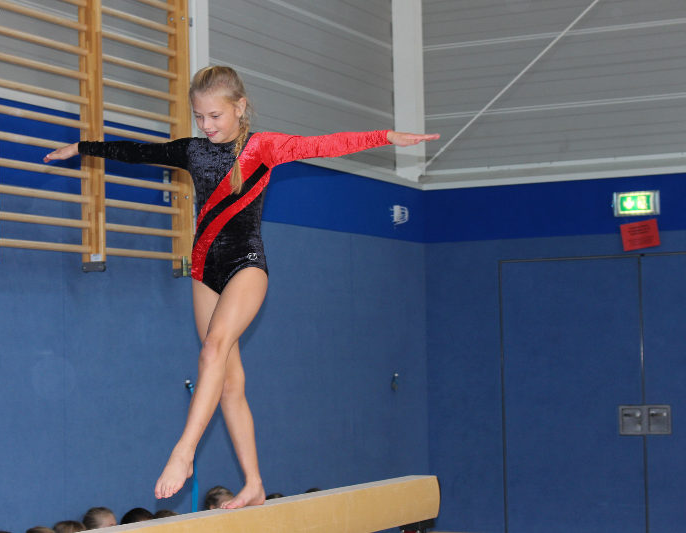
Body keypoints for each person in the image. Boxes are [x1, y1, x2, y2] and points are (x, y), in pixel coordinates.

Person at [44, 65, 439, 509]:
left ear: (240, 107)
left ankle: (184, 451)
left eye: (215, 116)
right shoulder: (193, 151)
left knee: (212, 350)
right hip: (203, 270)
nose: (206, 125)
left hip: (245, 265)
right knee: (230, 382)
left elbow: (324, 145)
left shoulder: (262, 147)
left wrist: (386, 136)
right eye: (199, 116)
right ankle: (253, 483)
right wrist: (82, 146)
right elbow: (138, 151)